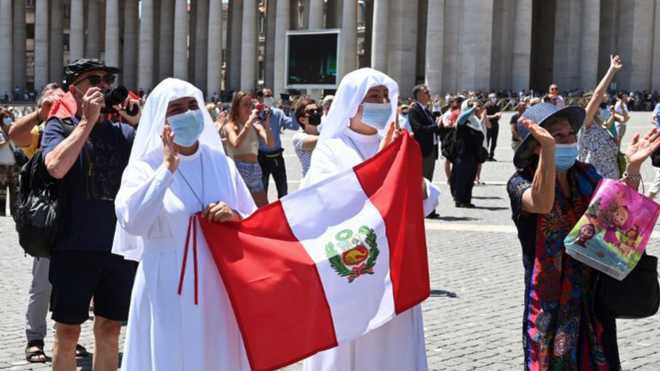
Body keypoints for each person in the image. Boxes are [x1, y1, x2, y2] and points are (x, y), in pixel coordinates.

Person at [301, 68, 439, 371]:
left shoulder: (399, 143)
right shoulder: (331, 149)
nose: (380, 102)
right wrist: (385, 166)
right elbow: (330, 202)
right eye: (372, 96)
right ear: (351, 104)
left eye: (384, 96)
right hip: (350, 271)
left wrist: (399, 163)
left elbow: (424, 199)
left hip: (394, 268)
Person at [113, 78, 255, 371]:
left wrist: (234, 215)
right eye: (177, 109)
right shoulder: (145, 166)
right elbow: (133, 222)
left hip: (218, 286)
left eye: (193, 106)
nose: (188, 114)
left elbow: (252, 218)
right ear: (160, 120)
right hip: (166, 285)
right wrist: (166, 171)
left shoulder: (221, 163)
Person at [507, 102, 660, 371]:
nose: (568, 141)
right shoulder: (520, 181)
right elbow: (541, 203)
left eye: (570, 135)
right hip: (548, 304)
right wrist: (549, 153)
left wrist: (633, 169)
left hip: (592, 296)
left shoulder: (586, 174)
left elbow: (615, 211)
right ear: (535, 147)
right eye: (557, 137)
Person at [41, 59, 138, 371]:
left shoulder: (122, 132)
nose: (104, 85)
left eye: (106, 80)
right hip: (74, 245)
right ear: (75, 90)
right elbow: (56, 167)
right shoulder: (60, 126)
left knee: (110, 330)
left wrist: (141, 122)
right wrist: (86, 122)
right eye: (94, 79)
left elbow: (167, 155)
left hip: (118, 248)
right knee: (68, 333)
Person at [7, 83, 90, 363]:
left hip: (78, 216)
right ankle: (35, 338)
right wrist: (41, 115)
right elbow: (15, 134)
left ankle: (68, 337)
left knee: (73, 285)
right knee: (42, 284)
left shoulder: (80, 126)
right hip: (49, 218)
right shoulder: (41, 133)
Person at [224, 91, 274, 207]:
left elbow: (270, 144)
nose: (249, 108)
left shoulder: (255, 125)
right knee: (242, 208)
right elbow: (236, 143)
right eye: (245, 105)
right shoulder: (230, 126)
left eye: (251, 105)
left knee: (263, 208)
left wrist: (266, 125)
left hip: (255, 168)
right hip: (239, 167)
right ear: (237, 108)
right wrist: (248, 123)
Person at [578, 55, 624, 179]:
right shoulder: (586, 124)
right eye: (600, 104)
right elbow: (597, 95)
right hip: (595, 186)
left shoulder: (601, 125)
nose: (603, 107)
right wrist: (612, 71)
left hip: (610, 185)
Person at [256, 88, 298, 198]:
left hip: (277, 157)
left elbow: (294, 126)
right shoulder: (255, 114)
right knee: (262, 191)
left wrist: (292, 108)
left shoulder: (278, 113)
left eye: (270, 96)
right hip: (261, 157)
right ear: (260, 98)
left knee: (283, 191)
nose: (269, 98)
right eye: (266, 96)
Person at [409, 84, 441, 218]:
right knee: (422, 181)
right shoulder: (414, 110)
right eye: (426, 92)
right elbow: (418, 129)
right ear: (419, 95)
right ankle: (421, 209)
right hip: (422, 150)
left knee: (428, 180)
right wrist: (435, 126)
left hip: (431, 149)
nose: (429, 94)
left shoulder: (426, 110)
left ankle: (428, 208)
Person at [451, 101, 488, 207]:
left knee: (470, 179)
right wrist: (472, 109)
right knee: (461, 178)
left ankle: (467, 200)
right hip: (463, 154)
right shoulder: (463, 119)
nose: (475, 108)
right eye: (470, 105)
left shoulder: (474, 120)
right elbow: (462, 118)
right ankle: (459, 200)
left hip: (473, 154)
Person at [291, 97, 320, 178]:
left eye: (318, 110)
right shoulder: (298, 138)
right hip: (310, 184)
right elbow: (318, 141)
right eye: (311, 111)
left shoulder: (324, 133)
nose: (316, 113)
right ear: (302, 120)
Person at [485, 93, 502, 161]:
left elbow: (498, 115)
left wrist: (499, 116)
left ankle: (491, 155)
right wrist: (494, 116)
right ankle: (485, 155)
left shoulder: (497, 106)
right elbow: (485, 116)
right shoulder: (486, 106)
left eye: (495, 97)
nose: (494, 99)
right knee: (487, 141)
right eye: (493, 98)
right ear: (489, 99)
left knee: (494, 142)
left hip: (495, 125)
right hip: (488, 125)